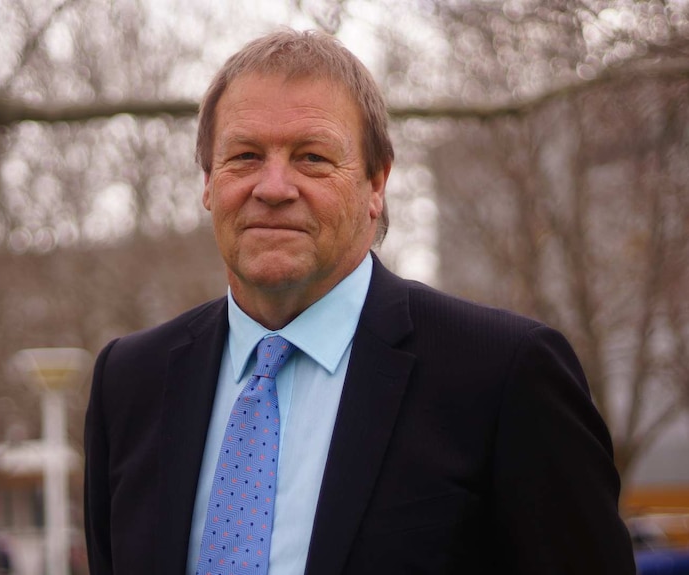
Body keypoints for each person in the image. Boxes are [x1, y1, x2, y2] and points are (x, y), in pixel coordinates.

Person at [84, 29, 636, 574]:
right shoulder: (129, 382)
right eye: (245, 156)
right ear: (208, 182)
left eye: (312, 157)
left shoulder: (505, 375)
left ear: (376, 184)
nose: (273, 187)